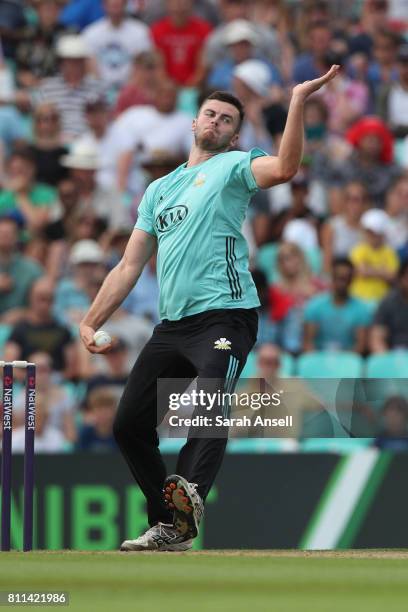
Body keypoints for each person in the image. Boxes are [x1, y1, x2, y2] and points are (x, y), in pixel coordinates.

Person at [79, 65, 340, 552]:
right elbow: (129, 264)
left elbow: (285, 169)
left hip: (226, 314)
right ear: (194, 123)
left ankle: (192, 491)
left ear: (234, 134)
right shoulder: (158, 191)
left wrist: (298, 102)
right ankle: (169, 524)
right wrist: (91, 320)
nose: (216, 123)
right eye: (210, 115)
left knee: (208, 401)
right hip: (173, 325)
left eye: (225, 119)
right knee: (128, 425)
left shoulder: (235, 166)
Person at [303, 258, 371, 353]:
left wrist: (342, 364)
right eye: (338, 278)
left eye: (346, 279)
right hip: (320, 358)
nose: (342, 283)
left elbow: (360, 346)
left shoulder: (362, 310)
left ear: (352, 280)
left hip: (348, 361)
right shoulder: (314, 306)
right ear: (332, 278)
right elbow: (308, 343)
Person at [370, 260, 408, 352]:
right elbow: (377, 338)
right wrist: (386, 360)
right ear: (401, 279)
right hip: (394, 355)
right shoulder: (388, 302)